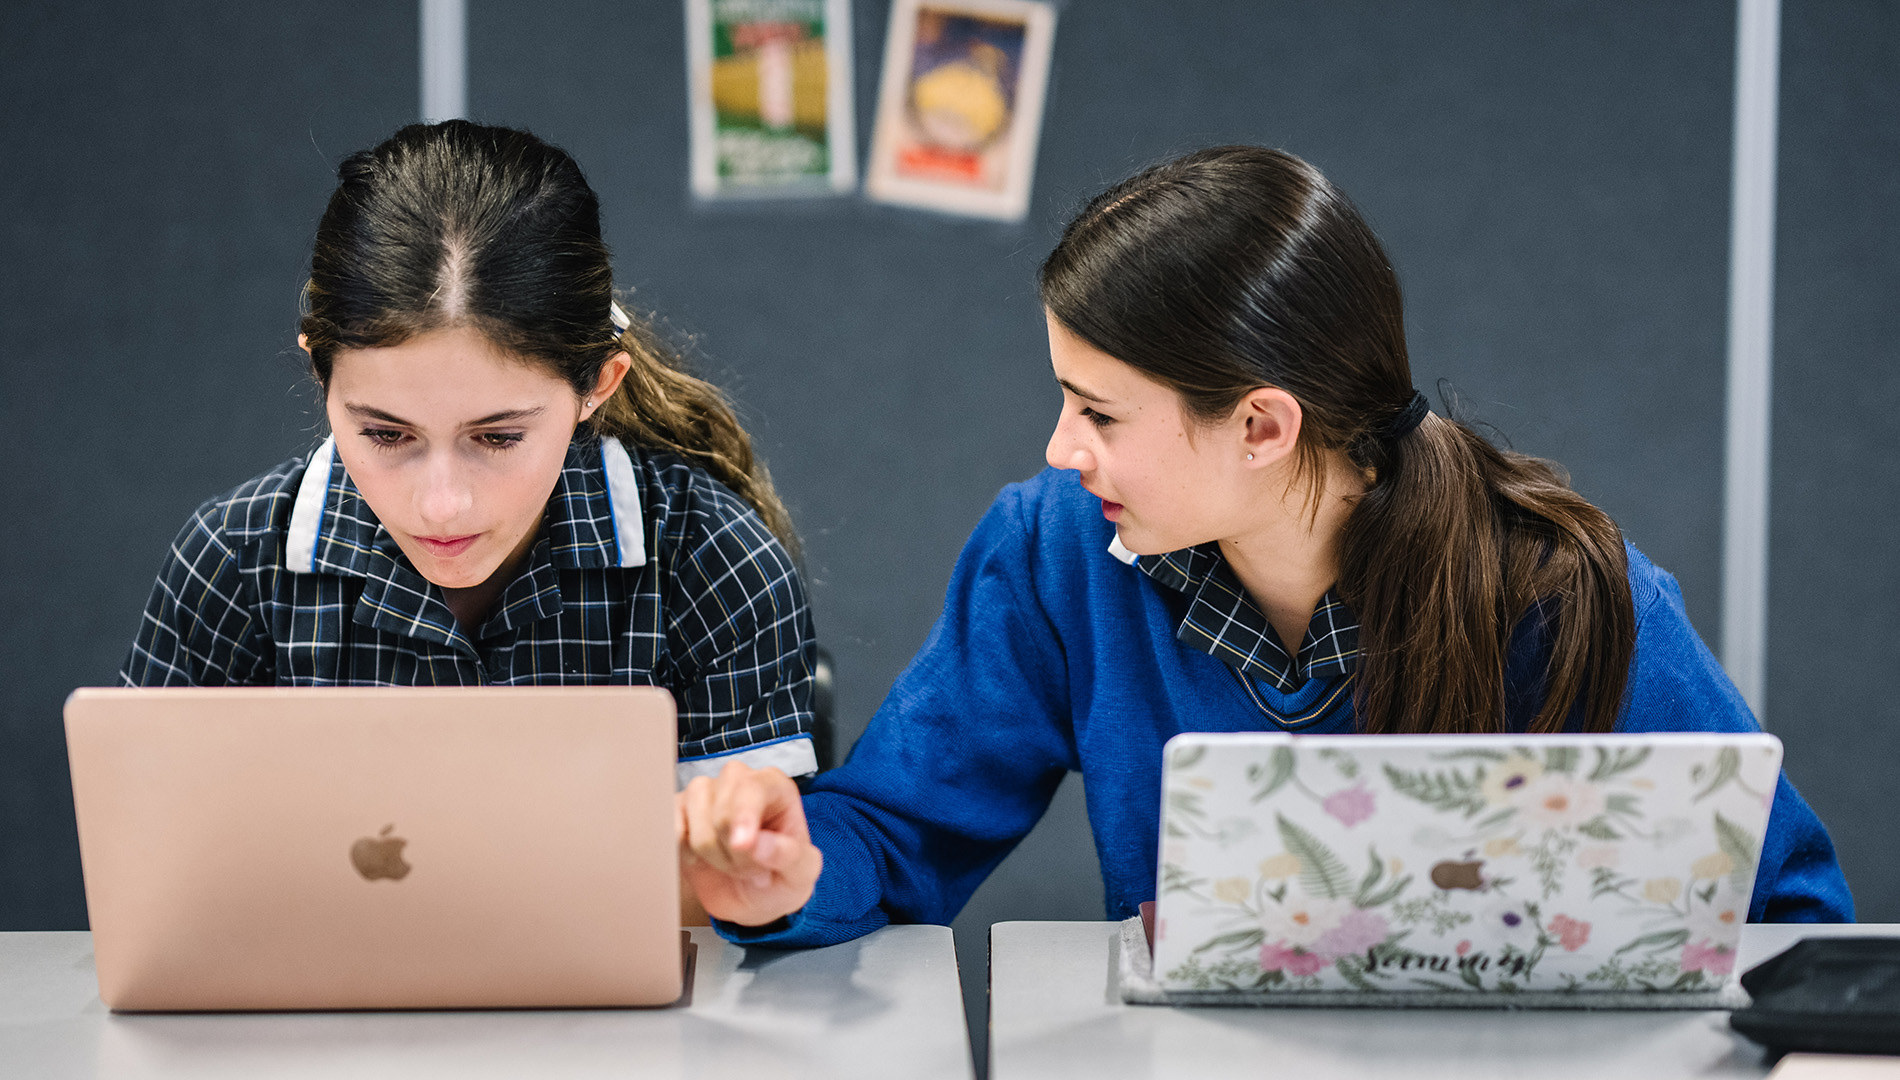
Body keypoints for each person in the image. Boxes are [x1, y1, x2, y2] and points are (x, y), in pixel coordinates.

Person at [677, 146, 1854, 944]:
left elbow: (1789, 915)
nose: (1058, 451)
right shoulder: (1053, 554)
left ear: (1260, 426)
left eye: (1097, 412)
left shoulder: (1573, 597)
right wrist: (791, 864)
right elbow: (896, 828)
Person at [122, 121, 819, 791]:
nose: (441, 504)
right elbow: (152, 861)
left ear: (595, 388)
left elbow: (749, 894)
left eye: (498, 437)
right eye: (387, 435)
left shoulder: (712, 558)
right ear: (321, 378)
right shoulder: (236, 559)